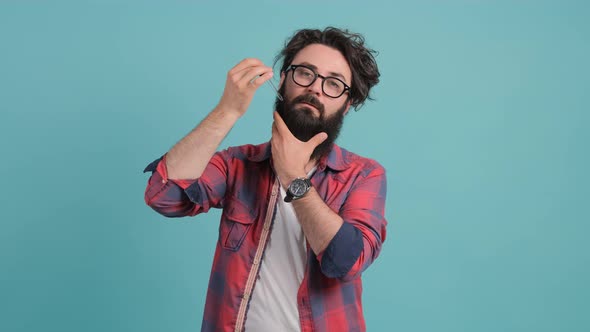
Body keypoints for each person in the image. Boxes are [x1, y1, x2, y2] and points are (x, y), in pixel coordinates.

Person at [143, 27, 387, 332]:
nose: (315, 89)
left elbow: (346, 261)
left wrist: (293, 177)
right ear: (283, 79)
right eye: (304, 73)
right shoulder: (239, 163)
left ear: (347, 104)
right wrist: (227, 110)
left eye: (334, 83)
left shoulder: (363, 175)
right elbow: (162, 195)